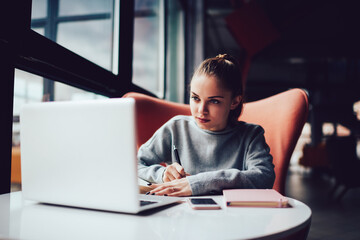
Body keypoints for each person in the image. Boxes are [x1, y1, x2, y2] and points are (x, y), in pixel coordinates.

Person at [137, 54, 275, 197]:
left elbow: (264, 177)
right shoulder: (175, 128)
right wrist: (163, 174)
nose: (201, 110)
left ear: (234, 102)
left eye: (214, 101)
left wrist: (198, 183)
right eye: (195, 98)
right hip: (180, 215)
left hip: (232, 215)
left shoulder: (251, 135)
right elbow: (133, 163)